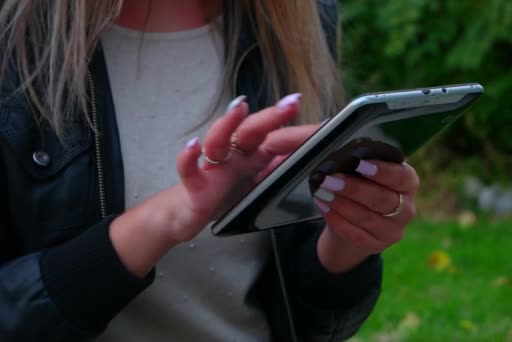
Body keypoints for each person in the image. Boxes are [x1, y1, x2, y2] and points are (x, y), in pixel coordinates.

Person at [0, 0, 420, 341]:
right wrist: (162, 220)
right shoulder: (13, 38)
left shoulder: (298, 20)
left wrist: (347, 244)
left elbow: (307, 321)